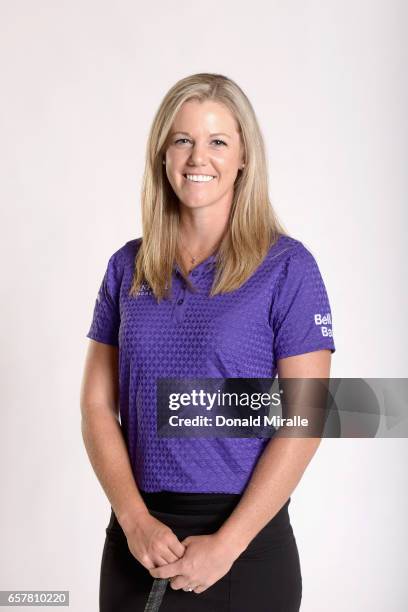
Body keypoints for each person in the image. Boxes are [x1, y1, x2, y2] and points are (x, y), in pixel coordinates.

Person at [80, 72, 336, 612]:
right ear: (163, 155)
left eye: (218, 141)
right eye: (183, 140)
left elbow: (305, 418)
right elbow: (97, 406)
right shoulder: (126, 267)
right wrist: (134, 522)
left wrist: (228, 545)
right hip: (138, 540)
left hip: (246, 545)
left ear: (244, 157)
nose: (199, 157)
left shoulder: (288, 269)